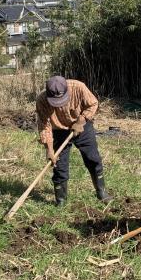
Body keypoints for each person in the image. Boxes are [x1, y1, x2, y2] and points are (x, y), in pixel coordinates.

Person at [36, 75, 112, 206]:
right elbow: (44, 125)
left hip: (82, 125)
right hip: (59, 130)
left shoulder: (78, 87)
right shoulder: (42, 100)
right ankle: (61, 200)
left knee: (92, 158)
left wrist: (81, 121)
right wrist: (49, 149)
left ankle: (101, 191)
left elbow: (93, 103)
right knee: (59, 166)